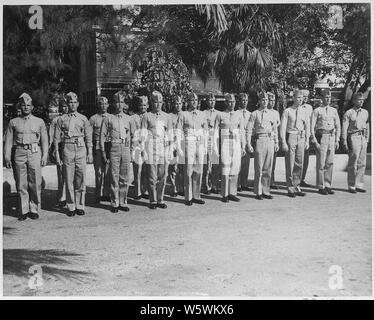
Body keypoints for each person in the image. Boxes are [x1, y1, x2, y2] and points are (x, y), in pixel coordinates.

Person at [4, 93, 48, 221]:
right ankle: (23, 210)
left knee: (35, 182)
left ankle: (33, 208)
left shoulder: (39, 122)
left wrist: (45, 155)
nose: (26, 107)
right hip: (19, 152)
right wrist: (7, 156)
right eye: (23, 105)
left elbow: (44, 140)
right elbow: (8, 141)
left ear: (32, 107)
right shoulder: (13, 122)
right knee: (21, 182)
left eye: (28, 105)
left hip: (34, 153)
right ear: (20, 106)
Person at [54, 92, 93, 216]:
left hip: (81, 148)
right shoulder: (61, 119)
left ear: (78, 104)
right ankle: (71, 206)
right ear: (67, 104)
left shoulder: (83, 118)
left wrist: (90, 152)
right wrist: (57, 154)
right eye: (70, 102)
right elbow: (56, 139)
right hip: (67, 148)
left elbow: (88, 137)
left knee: (80, 177)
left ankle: (80, 205)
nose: (72, 104)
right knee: (69, 178)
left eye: (75, 102)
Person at [100, 91, 135, 213]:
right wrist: (104, 153)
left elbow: (133, 136)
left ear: (125, 104)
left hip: (125, 148)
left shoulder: (129, 119)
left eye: (122, 102)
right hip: (114, 148)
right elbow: (102, 137)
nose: (119, 104)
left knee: (125, 176)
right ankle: (114, 202)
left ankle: (123, 201)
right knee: (114, 176)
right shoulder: (108, 118)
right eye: (117, 102)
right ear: (113, 104)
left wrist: (132, 151)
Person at [140, 91, 172, 209]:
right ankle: (153, 200)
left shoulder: (167, 117)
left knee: (162, 176)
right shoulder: (147, 116)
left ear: (162, 102)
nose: (157, 104)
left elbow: (169, 134)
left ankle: (160, 199)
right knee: (152, 176)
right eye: (154, 102)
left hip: (163, 147)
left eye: (159, 102)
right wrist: (143, 150)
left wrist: (169, 150)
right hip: (151, 147)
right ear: (151, 103)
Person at [246, 91, 279, 200]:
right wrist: (248, 143)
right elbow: (249, 130)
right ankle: (258, 191)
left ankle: (266, 191)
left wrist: (276, 142)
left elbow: (275, 129)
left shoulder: (272, 114)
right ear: (259, 101)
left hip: (270, 140)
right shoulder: (254, 114)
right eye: (263, 100)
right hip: (260, 140)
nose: (265, 102)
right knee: (259, 168)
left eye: (267, 100)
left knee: (267, 168)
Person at [177, 92, 208, 206]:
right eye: (191, 100)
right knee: (188, 171)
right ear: (188, 102)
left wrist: (205, 146)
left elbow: (205, 131)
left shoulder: (202, 114)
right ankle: (188, 197)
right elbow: (179, 131)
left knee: (199, 170)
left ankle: (196, 195)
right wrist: (179, 147)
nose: (194, 102)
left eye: (195, 100)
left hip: (199, 143)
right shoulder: (183, 114)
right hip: (188, 142)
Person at [280, 90, 310, 197]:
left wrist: (307, 140)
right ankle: (290, 187)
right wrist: (283, 141)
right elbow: (283, 127)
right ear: (293, 98)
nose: (300, 100)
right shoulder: (287, 111)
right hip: (291, 136)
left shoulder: (304, 111)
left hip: (301, 137)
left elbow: (307, 126)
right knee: (290, 162)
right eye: (298, 98)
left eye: (302, 98)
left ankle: (297, 185)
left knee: (299, 162)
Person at [310, 88, 341, 195]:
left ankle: (328, 185)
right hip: (321, 137)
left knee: (330, 162)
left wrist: (337, 139)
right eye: (326, 97)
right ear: (322, 98)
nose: (328, 99)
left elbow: (338, 126)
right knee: (321, 163)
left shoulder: (334, 111)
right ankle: (321, 186)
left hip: (331, 137)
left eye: (329, 97)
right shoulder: (317, 111)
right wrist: (314, 140)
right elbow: (311, 126)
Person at [215, 93, 244, 202]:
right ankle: (224, 194)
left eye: (233, 102)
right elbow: (216, 133)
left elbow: (242, 132)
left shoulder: (239, 115)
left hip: (236, 143)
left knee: (235, 167)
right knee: (225, 168)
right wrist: (216, 147)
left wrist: (243, 146)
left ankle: (232, 192)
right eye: (229, 102)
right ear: (226, 102)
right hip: (225, 143)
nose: (232, 104)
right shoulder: (220, 115)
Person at [341, 92, 370, 193]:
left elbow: (367, 126)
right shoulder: (349, 113)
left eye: (362, 100)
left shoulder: (365, 112)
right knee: (353, 162)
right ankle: (351, 185)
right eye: (359, 100)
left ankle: (359, 184)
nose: (361, 101)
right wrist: (344, 141)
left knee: (362, 163)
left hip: (362, 138)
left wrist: (367, 139)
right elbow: (344, 128)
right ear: (354, 100)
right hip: (353, 137)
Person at [89, 96, 110, 202]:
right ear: (98, 105)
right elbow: (89, 136)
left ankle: (106, 194)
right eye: (101, 103)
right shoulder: (93, 119)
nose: (103, 105)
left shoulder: (111, 117)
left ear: (108, 105)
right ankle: (98, 194)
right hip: (97, 147)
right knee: (98, 172)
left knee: (107, 171)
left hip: (108, 146)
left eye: (105, 103)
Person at [49, 95, 69, 207]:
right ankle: (62, 197)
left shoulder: (74, 118)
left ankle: (71, 196)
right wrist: (53, 150)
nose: (65, 108)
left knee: (71, 174)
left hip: (71, 146)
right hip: (60, 146)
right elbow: (51, 136)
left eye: (67, 106)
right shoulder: (56, 120)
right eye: (63, 106)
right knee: (61, 173)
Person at [202, 93, 220, 194]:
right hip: (207, 138)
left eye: (213, 100)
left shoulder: (218, 113)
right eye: (210, 100)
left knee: (216, 164)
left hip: (215, 138)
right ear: (206, 101)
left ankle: (214, 185)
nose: (211, 102)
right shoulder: (203, 113)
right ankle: (207, 186)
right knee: (207, 163)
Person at [131, 95, 149, 200]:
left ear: (147, 106)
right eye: (141, 105)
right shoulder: (133, 117)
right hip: (137, 146)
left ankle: (145, 190)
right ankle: (137, 191)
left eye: (145, 105)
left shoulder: (150, 116)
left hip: (147, 146)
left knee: (146, 170)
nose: (142, 107)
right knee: (137, 170)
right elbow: (133, 133)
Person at [168, 95, 185, 197]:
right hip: (173, 143)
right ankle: (174, 188)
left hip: (183, 142)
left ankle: (182, 188)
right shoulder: (169, 116)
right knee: (173, 167)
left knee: (182, 167)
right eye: (176, 103)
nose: (178, 105)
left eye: (179, 103)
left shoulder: (185, 115)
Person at [236, 93, 252, 192]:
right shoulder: (235, 113)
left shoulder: (250, 114)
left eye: (246, 101)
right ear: (239, 101)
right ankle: (237, 184)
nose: (244, 102)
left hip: (247, 140)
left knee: (246, 164)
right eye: (242, 100)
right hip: (238, 140)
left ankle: (244, 183)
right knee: (238, 164)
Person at [300, 89, 314, 187]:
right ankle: (295, 178)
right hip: (297, 134)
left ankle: (302, 179)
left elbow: (311, 122)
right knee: (297, 158)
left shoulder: (309, 108)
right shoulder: (294, 108)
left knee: (305, 159)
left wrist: (311, 135)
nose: (305, 98)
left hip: (306, 135)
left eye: (306, 96)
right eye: (303, 96)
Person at [267, 92, 281, 189]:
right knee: (265, 163)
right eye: (270, 100)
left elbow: (277, 126)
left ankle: (271, 181)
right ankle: (264, 181)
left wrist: (277, 141)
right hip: (265, 138)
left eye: (273, 101)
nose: (272, 103)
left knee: (273, 162)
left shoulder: (276, 113)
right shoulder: (263, 112)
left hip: (273, 138)